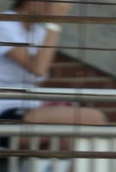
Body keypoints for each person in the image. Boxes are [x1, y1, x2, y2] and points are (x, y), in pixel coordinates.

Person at [0, 1, 108, 147]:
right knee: (94, 118)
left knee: (68, 141)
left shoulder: (38, 32)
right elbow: (38, 68)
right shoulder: (5, 24)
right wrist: (54, 22)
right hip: (6, 113)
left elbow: (35, 80)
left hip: (29, 109)